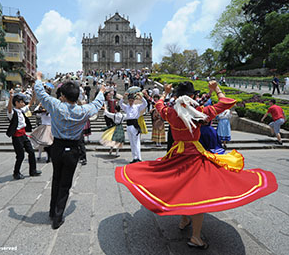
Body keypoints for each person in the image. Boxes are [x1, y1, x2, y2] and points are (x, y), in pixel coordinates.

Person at [115, 81, 278, 250]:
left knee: (179, 188)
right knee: (197, 195)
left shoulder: (170, 112)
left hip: (177, 154)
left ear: (176, 97)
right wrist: (217, 89)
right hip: (194, 156)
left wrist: (165, 92)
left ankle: (185, 219)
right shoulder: (199, 112)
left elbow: (158, 105)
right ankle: (195, 237)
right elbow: (226, 103)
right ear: (192, 97)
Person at [34, 71, 105, 229]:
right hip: (73, 149)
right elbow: (96, 104)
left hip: (57, 147)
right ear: (77, 97)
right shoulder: (83, 110)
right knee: (65, 184)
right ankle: (58, 217)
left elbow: (40, 93)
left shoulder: (56, 106)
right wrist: (101, 92)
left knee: (56, 179)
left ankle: (52, 212)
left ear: (64, 96)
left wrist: (39, 79)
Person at [7, 90, 42, 180]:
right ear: (17, 103)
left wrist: (34, 94)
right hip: (17, 137)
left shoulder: (21, 110)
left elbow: (30, 104)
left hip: (24, 135)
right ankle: (16, 173)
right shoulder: (12, 113)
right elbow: (9, 108)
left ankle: (33, 171)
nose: (23, 103)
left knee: (31, 152)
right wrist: (11, 97)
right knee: (20, 155)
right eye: (21, 102)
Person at [120, 91, 148, 163]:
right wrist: (123, 97)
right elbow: (120, 104)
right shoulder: (126, 107)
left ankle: (139, 157)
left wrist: (141, 97)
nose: (131, 102)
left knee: (136, 142)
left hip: (135, 124)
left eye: (132, 100)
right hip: (128, 125)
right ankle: (134, 157)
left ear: (134, 100)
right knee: (131, 142)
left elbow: (145, 104)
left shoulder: (137, 107)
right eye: (129, 100)